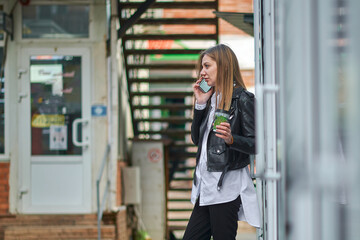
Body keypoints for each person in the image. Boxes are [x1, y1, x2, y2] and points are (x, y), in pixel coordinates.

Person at [183, 44, 261, 240]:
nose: (202, 72)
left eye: (207, 66)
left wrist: (231, 139)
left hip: (226, 189)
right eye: (202, 67)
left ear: (224, 66)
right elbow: (196, 139)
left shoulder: (243, 99)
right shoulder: (210, 99)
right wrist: (200, 103)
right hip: (206, 188)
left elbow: (257, 143)